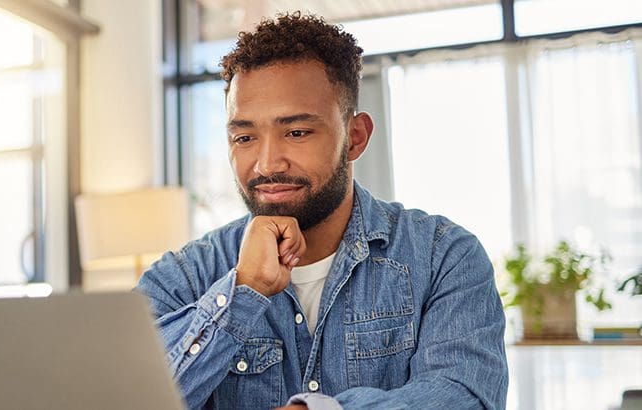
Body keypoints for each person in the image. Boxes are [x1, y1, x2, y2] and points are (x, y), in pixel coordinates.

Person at [136, 12, 508, 410]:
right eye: (244, 137)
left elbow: (467, 396)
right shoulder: (182, 279)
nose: (266, 164)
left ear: (355, 138)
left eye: (296, 133)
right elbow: (127, 400)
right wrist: (242, 294)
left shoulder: (443, 257)